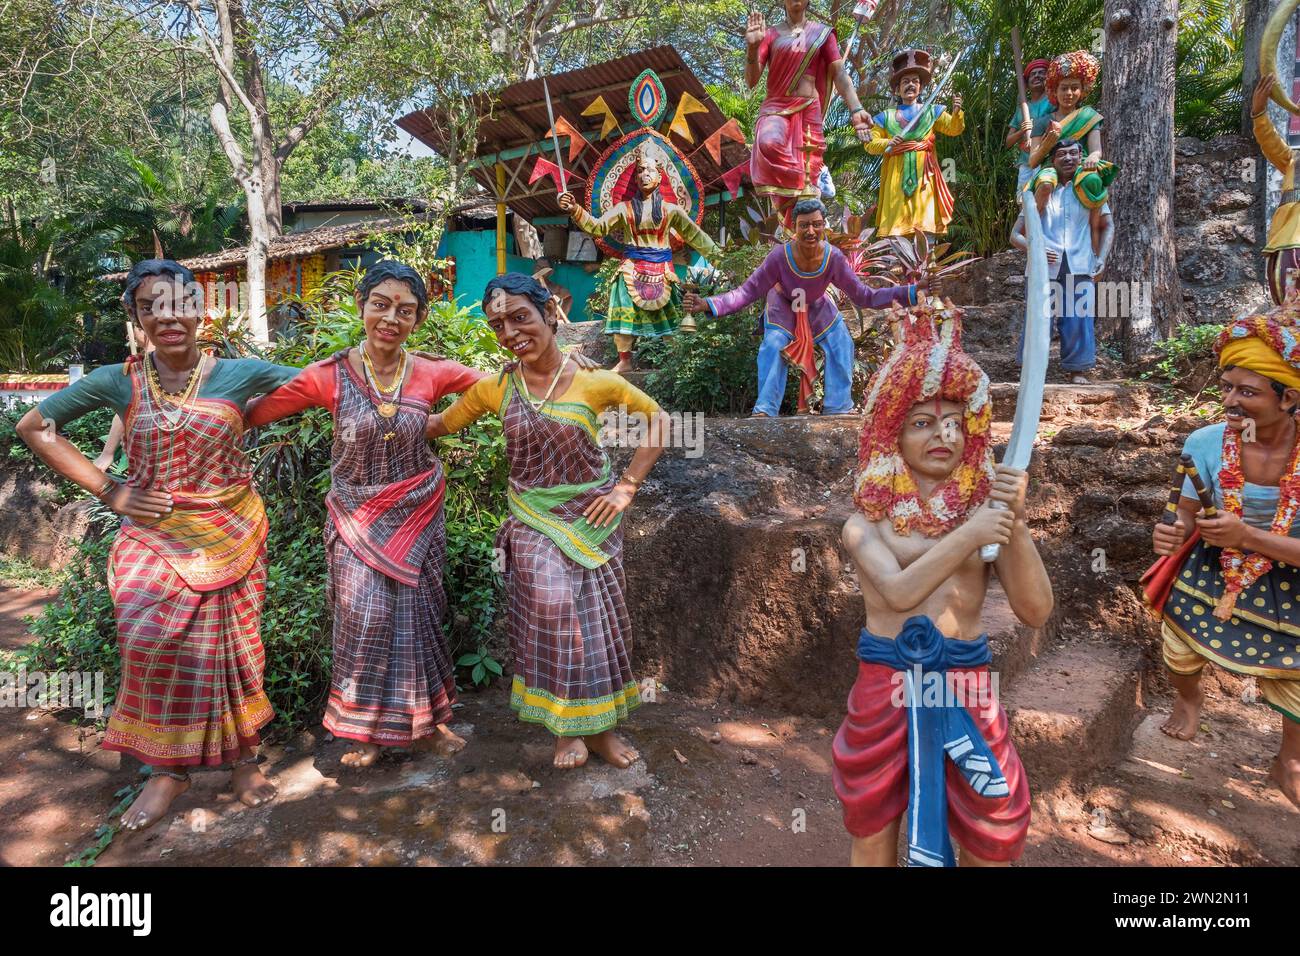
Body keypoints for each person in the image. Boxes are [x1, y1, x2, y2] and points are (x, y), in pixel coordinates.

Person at [16, 259, 296, 830]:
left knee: (234, 653)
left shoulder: (239, 374)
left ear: (201, 310)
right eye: (152, 306)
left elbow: (328, 384)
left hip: (230, 531)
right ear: (136, 316)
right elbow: (34, 426)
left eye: (180, 304)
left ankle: (244, 760)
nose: (168, 317)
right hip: (152, 535)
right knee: (147, 641)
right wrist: (110, 491)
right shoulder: (118, 380)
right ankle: (167, 772)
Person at [833, 304, 1053, 865]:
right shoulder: (865, 524)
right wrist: (974, 532)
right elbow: (899, 594)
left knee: (994, 817)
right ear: (892, 434)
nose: (943, 434)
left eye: (954, 421)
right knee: (873, 813)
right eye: (923, 422)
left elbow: (1035, 610)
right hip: (886, 679)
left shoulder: (987, 518)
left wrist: (1016, 527)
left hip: (966, 679)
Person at [426, 273, 670, 770]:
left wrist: (627, 486)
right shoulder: (494, 388)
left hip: (593, 519)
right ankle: (566, 730)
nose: (511, 332)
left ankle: (600, 729)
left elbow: (661, 421)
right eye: (498, 324)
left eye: (520, 317)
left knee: (596, 623)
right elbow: (437, 425)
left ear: (549, 315)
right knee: (554, 611)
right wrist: (380, 397)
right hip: (532, 519)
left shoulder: (596, 382)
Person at [244, 261, 481, 767]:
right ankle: (365, 733)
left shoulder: (433, 371)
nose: (391, 318)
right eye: (381, 304)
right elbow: (255, 412)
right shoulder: (329, 376)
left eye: (405, 310)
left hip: (418, 515)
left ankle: (430, 725)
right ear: (361, 304)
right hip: (355, 520)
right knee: (363, 618)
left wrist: (442, 422)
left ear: (418, 320)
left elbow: (495, 390)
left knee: (419, 619)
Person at [1147, 303, 1300, 808]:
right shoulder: (1207, 442)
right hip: (1215, 567)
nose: (1231, 401)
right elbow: (1183, 515)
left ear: (1290, 398)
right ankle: (1189, 702)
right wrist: (1171, 531)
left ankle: (1290, 760)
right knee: (1178, 645)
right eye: (1228, 387)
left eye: (1248, 392)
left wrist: (1247, 538)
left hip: (1290, 575)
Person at [683, 197, 928, 417]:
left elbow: (866, 296)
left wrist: (913, 292)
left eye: (816, 224)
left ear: (824, 226)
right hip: (782, 307)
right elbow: (748, 291)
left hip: (817, 307)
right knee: (773, 345)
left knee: (841, 341)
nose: (811, 231)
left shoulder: (834, 258)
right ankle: (765, 410)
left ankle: (838, 407)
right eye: (804, 225)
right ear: (794, 228)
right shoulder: (779, 257)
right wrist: (708, 303)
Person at [559, 144, 720, 373]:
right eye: (640, 171)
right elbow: (597, 227)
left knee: (671, 318)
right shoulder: (624, 209)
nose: (644, 175)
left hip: (663, 270)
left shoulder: (672, 210)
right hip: (631, 269)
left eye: (649, 171)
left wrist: (724, 260)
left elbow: (697, 236)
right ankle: (625, 360)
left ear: (660, 176)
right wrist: (574, 208)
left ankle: (674, 361)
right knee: (623, 303)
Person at [744, 0, 872, 222]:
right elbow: (751, 80)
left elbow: (839, 73)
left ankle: (802, 222)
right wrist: (753, 48)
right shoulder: (771, 34)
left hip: (808, 112)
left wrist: (856, 108)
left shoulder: (822, 33)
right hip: (776, 107)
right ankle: (807, 191)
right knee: (768, 142)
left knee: (808, 183)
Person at [1010, 138, 1113, 385]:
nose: (1068, 159)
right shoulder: (1039, 190)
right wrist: (1036, 249)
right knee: (1038, 318)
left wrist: (1101, 257)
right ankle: (1033, 370)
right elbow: (1015, 235)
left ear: (1081, 157)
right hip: (1043, 268)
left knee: (1079, 319)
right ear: (1052, 160)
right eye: (1061, 154)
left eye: (1073, 153)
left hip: (1080, 262)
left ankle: (1077, 370)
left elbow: (1108, 226)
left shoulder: (1090, 189)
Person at [864, 49, 965, 238]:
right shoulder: (885, 118)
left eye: (915, 81)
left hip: (924, 175)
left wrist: (957, 112)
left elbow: (954, 129)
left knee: (924, 220)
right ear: (897, 88)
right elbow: (870, 144)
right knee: (896, 222)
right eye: (905, 81)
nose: (910, 85)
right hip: (896, 175)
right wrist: (888, 142)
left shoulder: (931, 112)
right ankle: (895, 263)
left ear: (920, 87)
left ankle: (927, 264)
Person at [1025, 50, 1115, 240]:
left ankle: (1094, 239)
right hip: (1052, 166)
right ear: (1054, 91)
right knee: (1045, 183)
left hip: (1080, 164)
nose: (1069, 93)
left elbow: (1096, 150)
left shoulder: (1088, 116)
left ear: (1082, 90)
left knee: (1093, 181)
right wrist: (1048, 144)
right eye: (1064, 88)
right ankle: (1034, 231)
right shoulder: (1042, 122)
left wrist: (1092, 158)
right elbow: (1033, 161)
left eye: (1074, 88)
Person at [1250, 73, 1300, 304]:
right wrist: (1259, 112)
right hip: (1289, 247)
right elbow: (1269, 140)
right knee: (1289, 313)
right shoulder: (1293, 160)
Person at [1004, 57, 1054, 194]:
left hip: (1047, 159)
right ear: (1026, 82)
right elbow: (1008, 142)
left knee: (1043, 195)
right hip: (1025, 161)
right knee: (1023, 199)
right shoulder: (1022, 109)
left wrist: (1037, 141)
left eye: (1041, 72)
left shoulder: (1053, 101)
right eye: (1033, 74)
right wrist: (1022, 131)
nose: (1037, 76)